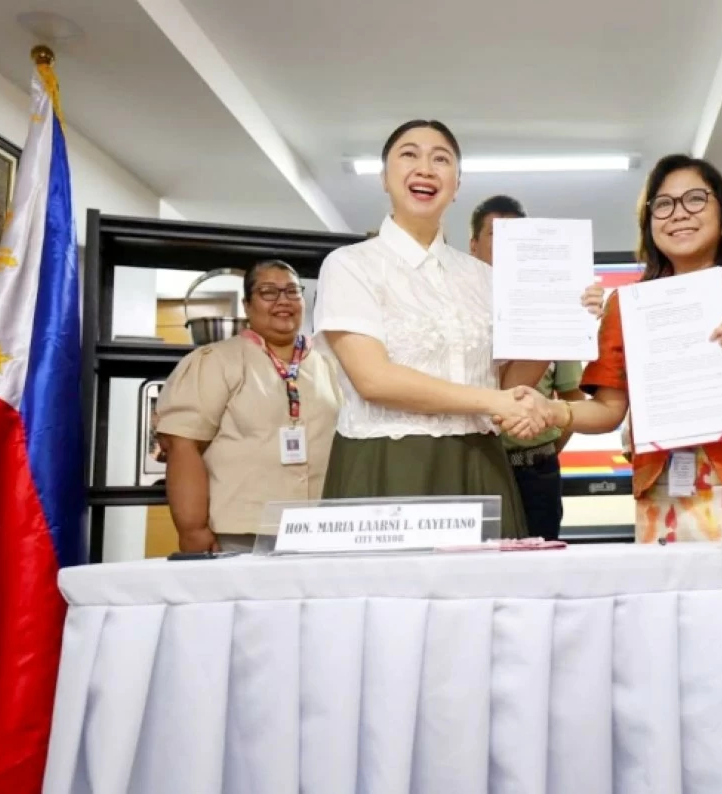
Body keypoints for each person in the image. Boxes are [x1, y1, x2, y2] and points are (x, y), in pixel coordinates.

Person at [507, 154, 722, 543]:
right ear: (649, 224)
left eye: (695, 199)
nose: (678, 213)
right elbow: (609, 410)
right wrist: (552, 410)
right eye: (663, 204)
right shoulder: (627, 305)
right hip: (666, 498)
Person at [313, 120, 600, 539]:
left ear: (456, 184)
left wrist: (562, 318)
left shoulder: (482, 278)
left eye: (441, 159)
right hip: (389, 463)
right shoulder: (350, 265)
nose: (426, 168)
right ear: (384, 177)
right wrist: (493, 400)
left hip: (481, 462)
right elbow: (373, 378)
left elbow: (506, 383)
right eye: (409, 154)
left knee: (486, 600)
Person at [156, 260, 341, 552]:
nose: (283, 300)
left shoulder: (328, 364)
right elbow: (183, 445)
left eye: (292, 292)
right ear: (247, 305)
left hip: (320, 531)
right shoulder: (216, 361)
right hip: (241, 532)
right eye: (268, 292)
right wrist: (192, 529)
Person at [469, 194, 585, 540]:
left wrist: (542, 449)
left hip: (537, 470)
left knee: (541, 567)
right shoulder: (460, 312)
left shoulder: (550, 308)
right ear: (473, 245)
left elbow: (572, 396)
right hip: (477, 463)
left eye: (514, 237)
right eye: (495, 235)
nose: (506, 246)